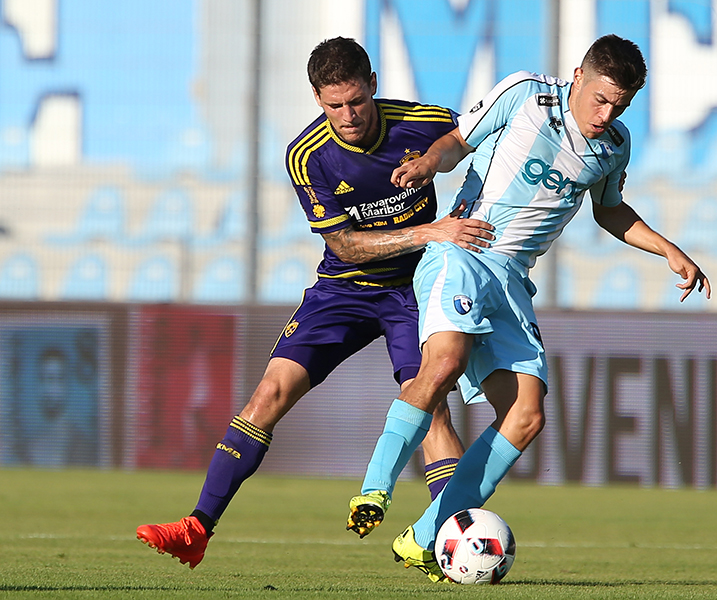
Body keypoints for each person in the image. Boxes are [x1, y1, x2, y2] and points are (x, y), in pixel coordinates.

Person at [348, 34, 711, 582]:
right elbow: (458, 141)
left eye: (619, 106)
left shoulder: (615, 145)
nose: (605, 115)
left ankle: (424, 537)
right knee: (443, 362)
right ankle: (375, 489)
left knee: (526, 416)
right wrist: (428, 164)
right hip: (464, 251)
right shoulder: (525, 93)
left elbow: (610, 210)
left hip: (513, 281)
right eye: (600, 99)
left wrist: (668, 249)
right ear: (578, 76)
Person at [135, 37, 494, 569]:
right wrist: (430, 231)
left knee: (430, 404)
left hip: (416, 287)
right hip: (343, 288)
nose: (348, 116)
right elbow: (345, 245)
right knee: (269, 393)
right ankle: (197, 528)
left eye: (357, 101)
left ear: (373, 86)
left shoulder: (425, 123)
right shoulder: (307, 155)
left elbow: (487, 147)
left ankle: (450, 543)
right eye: (334, 105)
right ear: (317, 98)